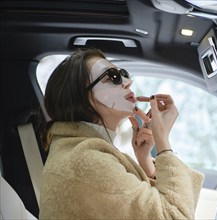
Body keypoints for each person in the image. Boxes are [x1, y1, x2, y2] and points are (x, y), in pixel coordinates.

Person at [38, 48, 204, 219]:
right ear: (83, 97)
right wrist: (163, 142)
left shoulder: (80, 153)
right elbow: (175, 216)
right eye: (113, 77)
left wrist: (146, 163)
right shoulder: (86, 162)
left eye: (123, 73)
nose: (127, 81)